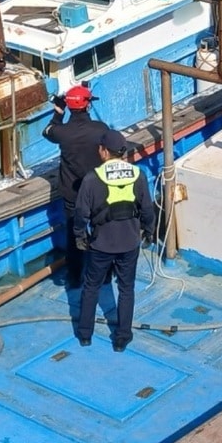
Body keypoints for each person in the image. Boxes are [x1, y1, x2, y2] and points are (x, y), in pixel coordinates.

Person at [73, 129, 156, 353]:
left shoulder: (91, 179)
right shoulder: (138, 175)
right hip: (129, 242)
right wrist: (149, 230)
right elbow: (147, 208)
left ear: (104, 152)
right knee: (126, 289)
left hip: (101, 244)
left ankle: (85, 335)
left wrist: (80, 236)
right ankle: (122, 338)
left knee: (91, 287)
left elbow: (81, 213)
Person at [43, 84, 109, 288]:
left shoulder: (62, 132)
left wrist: (58, 112)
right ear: (87, 106)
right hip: (97, 191)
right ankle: (105, 275)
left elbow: (48, 131)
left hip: (72, 193)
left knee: (73, 234)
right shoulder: (100, 129)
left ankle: (74, 277)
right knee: (102, 230)